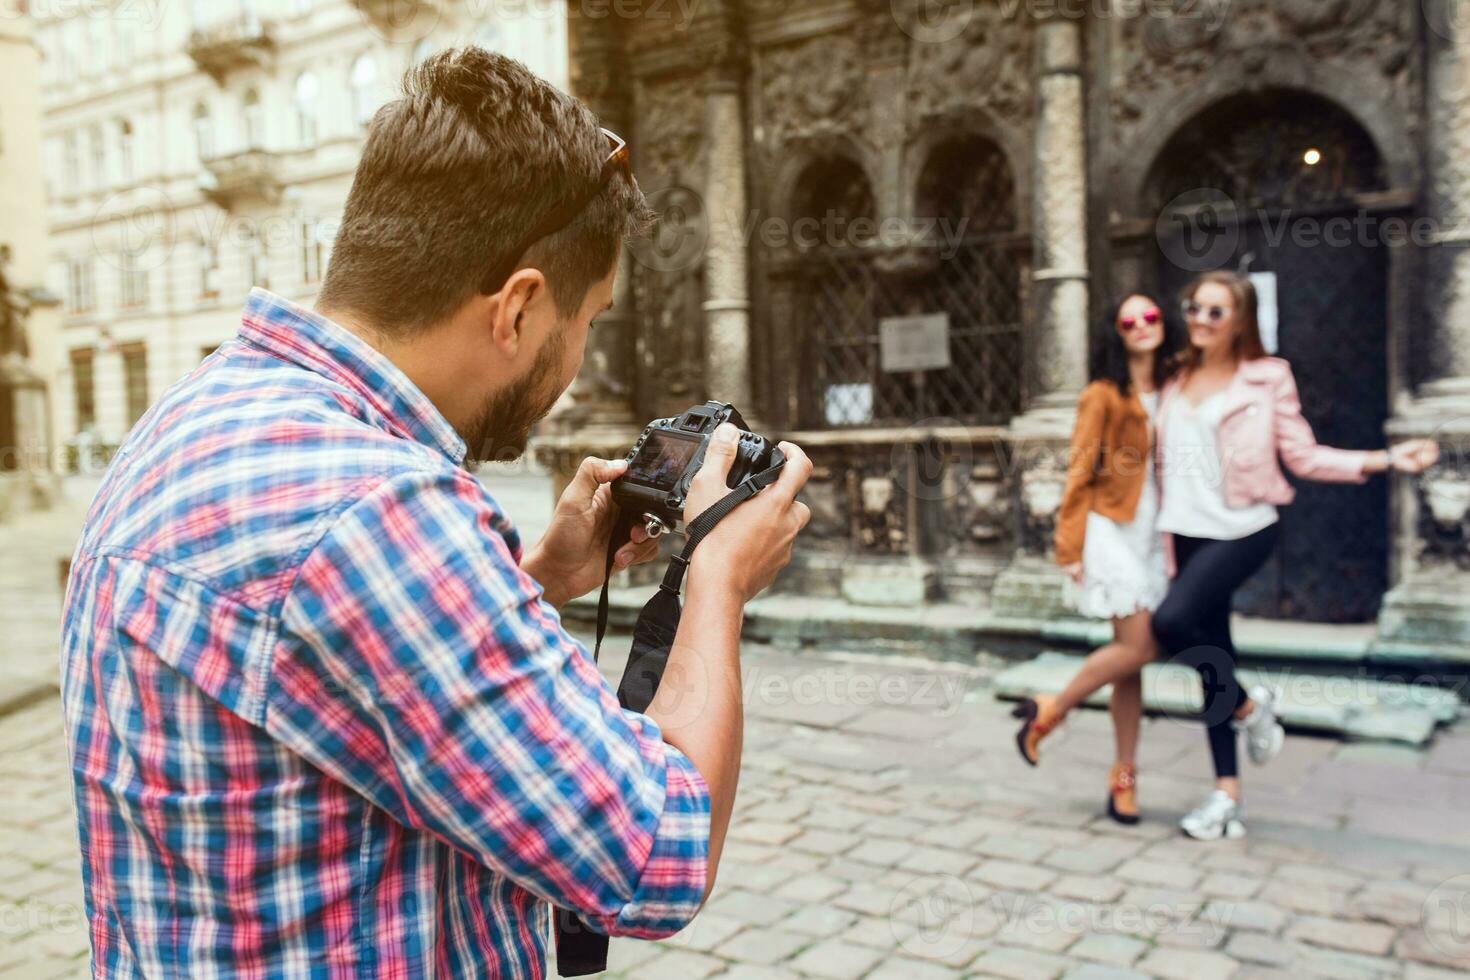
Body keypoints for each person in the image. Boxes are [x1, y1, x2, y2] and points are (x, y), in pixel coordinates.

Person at [59, 48, 812, 976]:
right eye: (589, 322)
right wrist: (718, 578)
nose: (577, 357)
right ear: (519, 308)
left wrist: (532, 582)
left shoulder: (197, 408)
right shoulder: (383, 512)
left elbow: (320, 676)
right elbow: (658, 855)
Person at [1152, 270, 1437, 841]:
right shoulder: (1175, 377)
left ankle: (1251, 710)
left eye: (1215, 312)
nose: (1200, 320)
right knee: (1213, 658)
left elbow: (1303, 457)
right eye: (1194, 307)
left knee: (1172, 622)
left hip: (1244, 526)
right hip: (1183, 530)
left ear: (1239, 321)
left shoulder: (1267, 378)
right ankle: (1226, 796)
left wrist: (1384, 460)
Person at [1013, 294, 1181, 824]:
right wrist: (1069, 546)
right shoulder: (1103, 394)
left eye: (1149, 317)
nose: (1140, 326)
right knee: (1142, 644)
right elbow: (1079, 471)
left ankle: (1123, 778)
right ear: (1116, 332)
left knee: (1129, 658)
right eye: (1128, 321)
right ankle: (1052, 708)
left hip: (1157, 534)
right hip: (1112, 530)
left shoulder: (1176, 389)